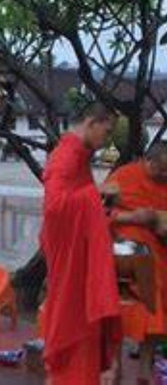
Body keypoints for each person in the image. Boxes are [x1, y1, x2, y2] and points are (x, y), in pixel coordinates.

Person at [41, 102, 121, 385]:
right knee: (73, 334)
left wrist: (97, 202)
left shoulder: (78, 155)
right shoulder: (65, 156)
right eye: (106, 130)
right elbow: (55, 207)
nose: (106, 139)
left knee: (80, 334)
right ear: (91, 122)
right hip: (71, 263)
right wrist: (95, 192)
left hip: (78, 259)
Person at [105, 141, 167, 382]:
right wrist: (134, 216)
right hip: (123, 255)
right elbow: (97, 212)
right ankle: (115, 363)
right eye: (160, 170)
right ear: (147, 161)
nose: (164, 175)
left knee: (157, 309)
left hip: (159, 256)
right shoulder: (124, 176)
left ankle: (145, 367)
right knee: (119, 307)